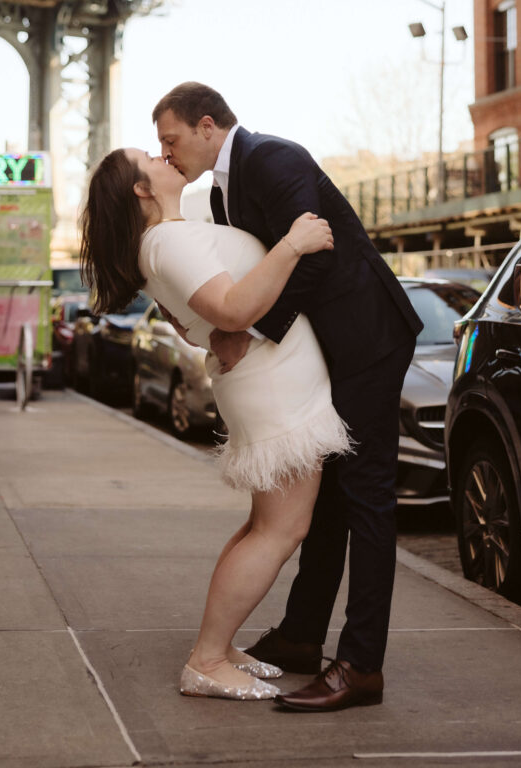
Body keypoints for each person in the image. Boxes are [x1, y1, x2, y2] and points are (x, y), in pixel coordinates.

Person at [153, 83, 423, 713]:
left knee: (366, 499)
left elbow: (315, 255)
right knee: (325, 499)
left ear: (207, 125)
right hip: (332, 352)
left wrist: (247, 332)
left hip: (368, 342)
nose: (165, 154)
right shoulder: (221, 189)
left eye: (171, 139)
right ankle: (303, 637)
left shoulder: (273, 158)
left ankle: (360, 665)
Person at [80, 146, 353, 702]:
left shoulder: (169, 238)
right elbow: (230, 310)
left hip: (270, 379)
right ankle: (206, 659)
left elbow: (195, 322)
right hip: (274, 387)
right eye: (149, 156)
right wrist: (293, 244)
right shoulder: (168, 240)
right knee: (282, 531)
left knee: (263, 526)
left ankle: (219, 647)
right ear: (140, 188)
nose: (162, 156)